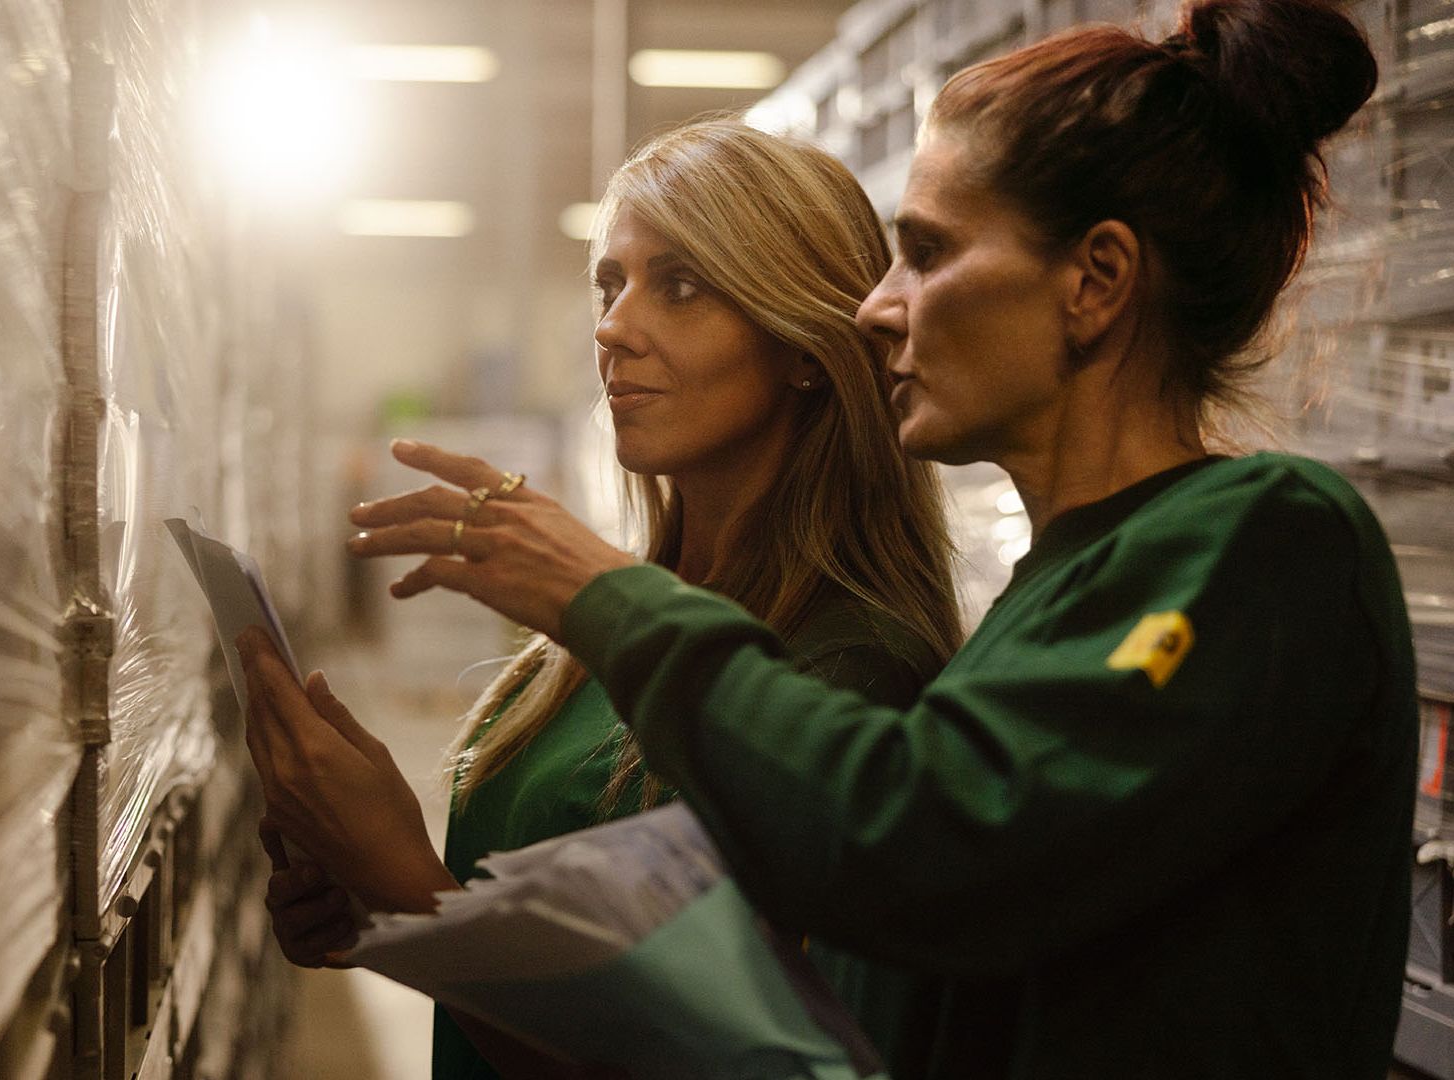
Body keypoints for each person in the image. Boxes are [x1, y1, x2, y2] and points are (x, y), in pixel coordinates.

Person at [292, 0, 1422, 1074]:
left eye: (926, 254)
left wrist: (598, 596)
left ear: (1096, 282)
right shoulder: (1049, 600)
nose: (877, 308)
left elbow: (922, 841)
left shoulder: (1270, 545)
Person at [244, 120, 965, 1079]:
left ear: (803, 346)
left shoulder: (847, 670)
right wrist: (374, 900)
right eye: (608, 283)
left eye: (679, 286)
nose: (613, 328)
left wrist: (403, 894)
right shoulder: (610, 627)